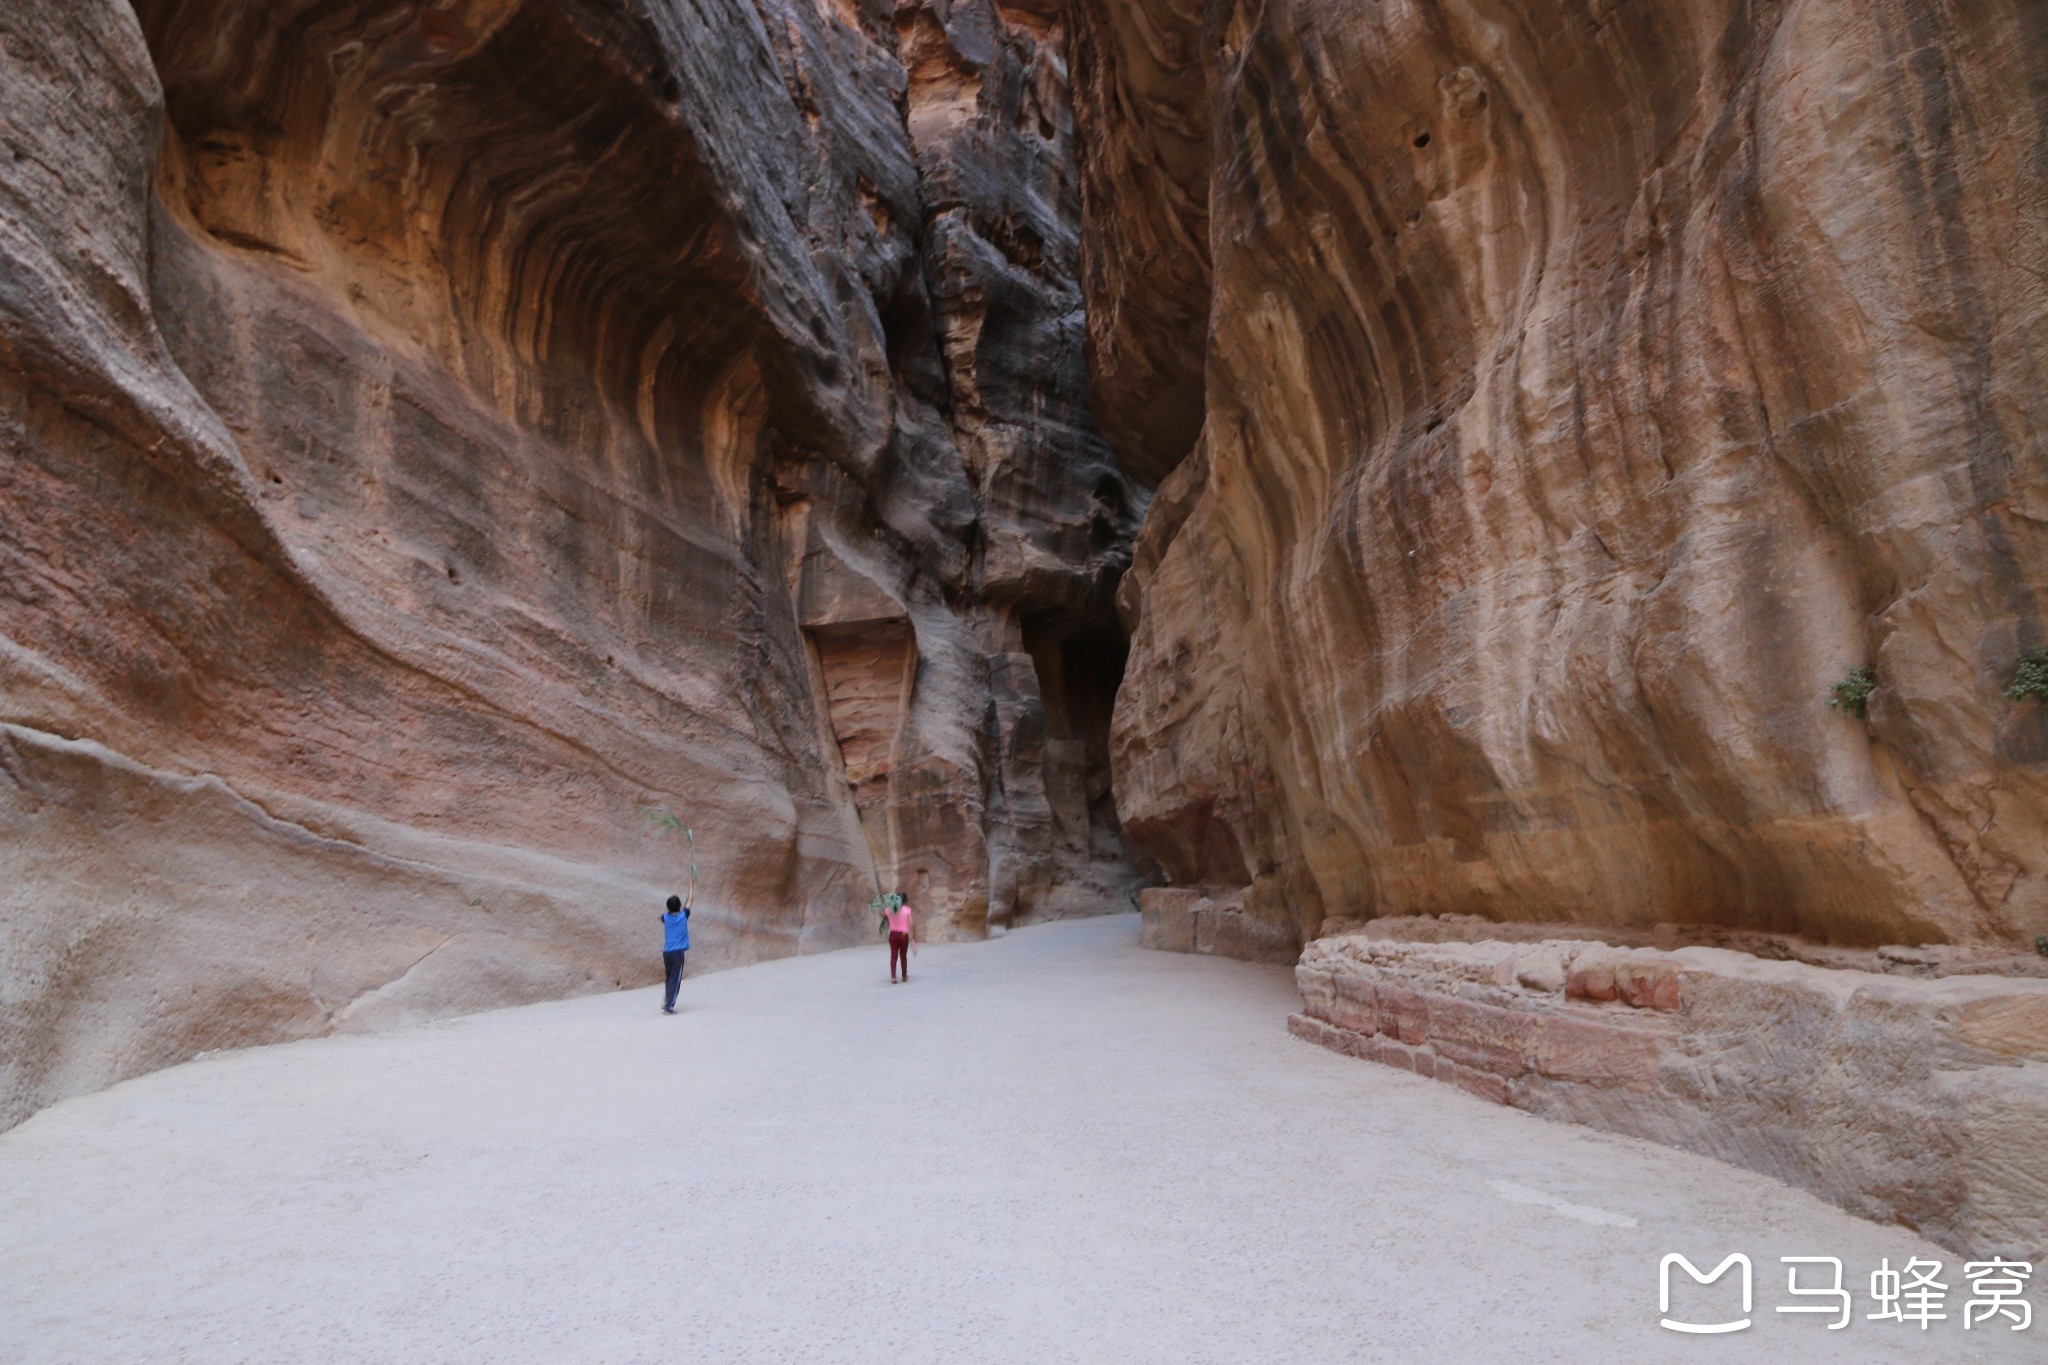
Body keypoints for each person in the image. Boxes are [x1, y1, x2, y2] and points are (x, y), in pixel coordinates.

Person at [659, 894, 690, 1013]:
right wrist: (691, 887)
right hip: (678, 953)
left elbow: (660, 918)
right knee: (675, 979)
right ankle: (669, 1005)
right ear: (680, 906)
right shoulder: (683, 916)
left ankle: (668, 1000)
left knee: (669, 977)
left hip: (667, 952)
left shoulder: (665, 917)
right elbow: (690, 902)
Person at [885, 897, 914, 984]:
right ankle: (904, 976)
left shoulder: (888, 910)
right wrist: (911, 932)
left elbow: (886, 919)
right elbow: (912, 923)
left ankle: (893, 977)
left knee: (893, 956)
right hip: (903, 935)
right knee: (903, 956)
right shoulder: (907, 910)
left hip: (893, 934)